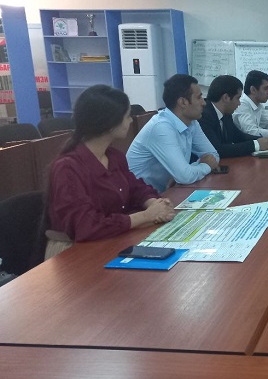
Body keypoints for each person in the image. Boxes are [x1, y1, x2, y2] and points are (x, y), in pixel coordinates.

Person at [47, 85, 175, 258]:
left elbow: (136, 189)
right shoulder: (67, 168)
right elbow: (86, 226)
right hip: (74, 252)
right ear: (109, 124)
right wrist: (145, 216)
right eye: (127, 116)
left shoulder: (114, 156)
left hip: (112, 239)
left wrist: (154, 204)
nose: (130, 121)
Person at [127, 74, 220, 192]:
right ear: (183, 102)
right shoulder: (161, 127)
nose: (204, 103)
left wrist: (187, 170)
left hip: (166, 192)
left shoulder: (192, 122)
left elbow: (213, 155)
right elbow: (185, 177)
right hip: (139, 197)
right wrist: (205, 166)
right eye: (199, 97)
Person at [200, 75, 268, 157]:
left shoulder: (226, 114)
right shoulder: (204, 116)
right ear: (226, 98)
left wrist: (262, 139)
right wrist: (256, 144)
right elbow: (217, 149)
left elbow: (238, 136)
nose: (239, 103)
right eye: (238, 98)